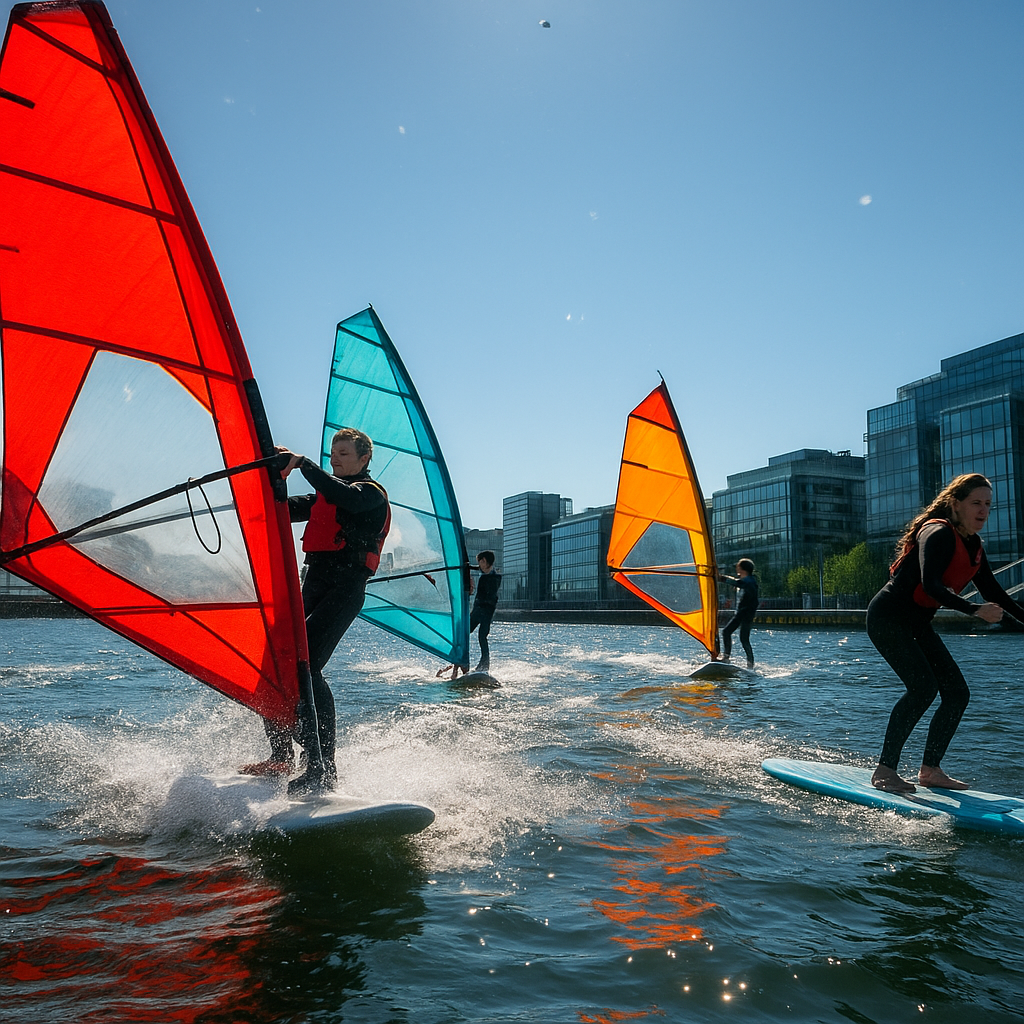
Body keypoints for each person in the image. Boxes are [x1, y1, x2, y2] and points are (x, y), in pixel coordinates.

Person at [241, 427, 390, 795]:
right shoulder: (323, 496)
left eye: (343, 452)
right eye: (332, 452)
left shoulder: (369, 495)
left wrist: (302, 462)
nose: (335, 458)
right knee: (276, 662)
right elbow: (279, 508)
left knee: (309, 667)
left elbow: (346, 497)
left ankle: (323, 766)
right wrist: (270, 474)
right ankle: (281, 756)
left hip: (345, 589)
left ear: (364, 458)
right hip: (314, 584)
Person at [866, 473, 1024, 794]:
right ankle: (885, 770)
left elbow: (998, 594)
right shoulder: (937, 532)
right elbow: (931, 585)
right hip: (888, 618)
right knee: (923, 688)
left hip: (916, 624)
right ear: (955, 504)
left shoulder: (974, 547)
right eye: (975, 503)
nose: (983, 510)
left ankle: (931, 770)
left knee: (957, 693)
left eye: (988, 505)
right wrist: (975, 610)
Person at [719, 558, 759, 669]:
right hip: (745, 613)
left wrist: (721, 578)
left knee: (727, 632)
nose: (736, 568)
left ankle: (726, 658)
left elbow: (738, 583)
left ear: (742, 569)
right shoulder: (748, 580)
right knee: (743, 639)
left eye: (738, 566)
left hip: (744, 613)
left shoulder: (749, 581)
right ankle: (750, 665)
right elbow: (738, 583)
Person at [466, 550, 501, 673]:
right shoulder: (486, 571)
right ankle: (462, 659)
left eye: (480, 562)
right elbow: (479, 569)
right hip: (478, 610)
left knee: (482, 636)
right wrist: (467, 566)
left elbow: (491, 595)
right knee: (466, 632)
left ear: (484, 561)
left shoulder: (494, 577)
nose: (479, 565)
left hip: (486, 611)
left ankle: (485, 664)